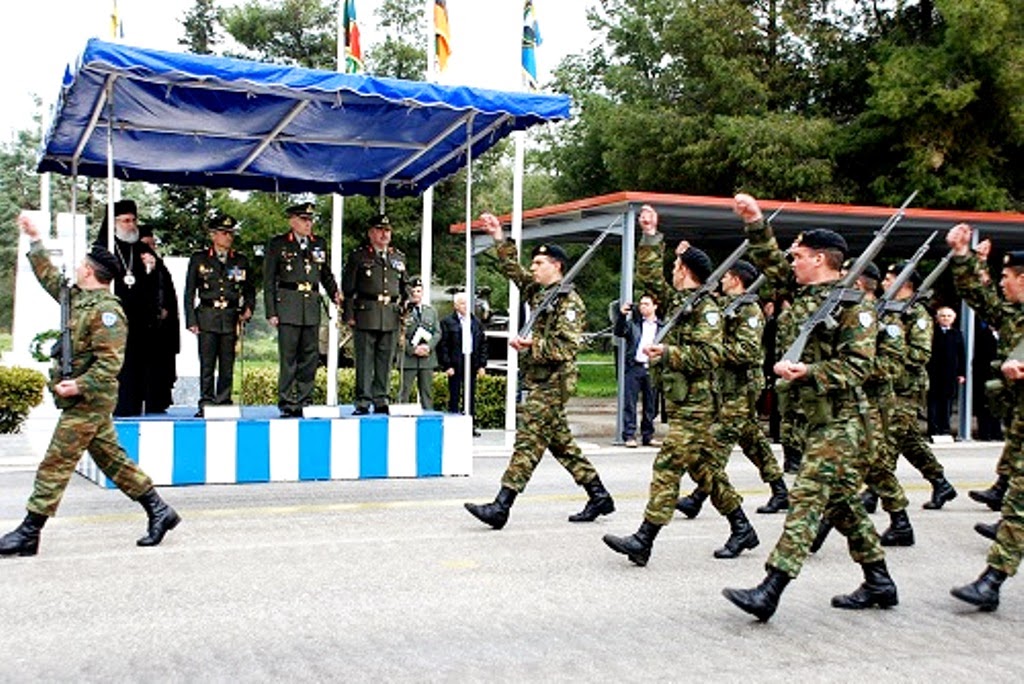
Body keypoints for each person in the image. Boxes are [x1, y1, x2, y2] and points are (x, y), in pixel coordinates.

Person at [723, 193, 895, 622]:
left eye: (798, 255)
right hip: (808, 419)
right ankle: (879, 580)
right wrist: (755, 222)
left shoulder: (856, 306)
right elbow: (768, 261)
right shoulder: (800, 295)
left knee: (806, 498)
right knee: (843, 506)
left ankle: (771, 588)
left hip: (842, 422)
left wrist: (810, 371)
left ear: (820, 259)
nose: (791, 261)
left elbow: (859, 366)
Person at [1, 214, 180, 557]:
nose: (77, 268)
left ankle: (29, 531)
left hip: (90, 399)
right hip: (80, 398)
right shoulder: (76, 298)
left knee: (56, 461)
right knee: (113, 460)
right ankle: (159, 510)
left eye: (82, 264)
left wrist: (78, 386)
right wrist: (36, 239)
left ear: (92, 272)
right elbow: (48, 277)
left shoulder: (108, 312)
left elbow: (110, 365)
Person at [604, 205, 760, 565]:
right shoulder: (681, 302)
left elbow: (710, 354)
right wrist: (650, 235)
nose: (671, 273)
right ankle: (741, 527)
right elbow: (649, 276)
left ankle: (644, 540)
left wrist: (669, 352)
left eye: (675, 267)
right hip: (684, 401)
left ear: (686, 271)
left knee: (668, 466)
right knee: (704, 467)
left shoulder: (705, 308)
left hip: (699, 403)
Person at [464, 212, 615, 527]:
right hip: (540, 378)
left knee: (528, 440)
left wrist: (532, 345)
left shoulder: (569, 302)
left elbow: (567, 348)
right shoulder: (539, 292)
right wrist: (499, 238)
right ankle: (599, 495)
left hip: (555, 381)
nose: (532, 268)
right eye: (532, 263)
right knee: (561, 443)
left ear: (556, 266)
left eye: (539, 264)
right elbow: (513, 270)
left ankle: (501, 506)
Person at [947, 224, 1024, 612]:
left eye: (1007, 278)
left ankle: (991, 581)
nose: (1002, 283)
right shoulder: (1014, 314)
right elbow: (975, 294)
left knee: (1020, 507)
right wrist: (962, 255)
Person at [675, 259, 789, 518]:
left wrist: (713, 352)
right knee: (753, 442)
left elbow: (747, 351)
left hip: (742, 389)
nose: (722, 281)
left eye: (726, 276)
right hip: (726, 387)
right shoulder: (726, 306)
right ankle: (780, 490)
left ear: (736, 279)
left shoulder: (750, 311)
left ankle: (698, 497)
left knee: (716, 445)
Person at [881, 264, 958, 509]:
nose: (884, 282)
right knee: (910, 442)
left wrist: (893, 347)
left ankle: (875, 492)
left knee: (889, 441)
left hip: (908, 388)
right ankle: (941, 483)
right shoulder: (890, 312)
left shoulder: (918, 315)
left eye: (889, 278)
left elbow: (921, 354)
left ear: (905, 284)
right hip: (891, 387)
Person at [264, 202, 342, 417]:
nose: (309, 224)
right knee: (289, 357)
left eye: (310, 220)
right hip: (288, 305)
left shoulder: (318, 243)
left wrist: (335, 292)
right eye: (304, 220)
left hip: (311, 306)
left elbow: (325, 273)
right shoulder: (279, 244)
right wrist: (271, 311)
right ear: (292, 221)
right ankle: (288, 401)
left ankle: (305, 399)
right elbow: (269, 280)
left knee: (310, 356)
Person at [94, 199, 163, 416]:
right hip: (111, 316)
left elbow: (155, 283)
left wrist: (151, 267)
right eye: (125, 221)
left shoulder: (142, 249)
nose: (131, 225)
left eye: (133, 220)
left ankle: (134, 406)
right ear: (114, 223)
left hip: (138, 318)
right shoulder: (103, 247)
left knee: (136, 364)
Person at [184, 214, 255, 417]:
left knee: (227, 361)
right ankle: (206, 401)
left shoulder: (240, 260)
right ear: (213, 235)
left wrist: (248, 307)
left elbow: (249, 289)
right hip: (207, 315)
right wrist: (191, 319)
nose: (228, 237)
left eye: (231, 233)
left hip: (231, 316)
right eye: (224, 233)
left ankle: (223, 400)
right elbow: (189, 291)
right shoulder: (200, 259)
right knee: (207, 363)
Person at [342, 213, 407, 415]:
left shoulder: (398, 257)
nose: (384, 234)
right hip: (366, 312)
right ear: (371, 233)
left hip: (390, 313)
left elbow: (404, 285)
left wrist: (406, 304)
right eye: (379, 230)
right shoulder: (359, 256)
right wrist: (349, 315)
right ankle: (362, 401)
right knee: (364, 359)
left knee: (386, 359)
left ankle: (381, 398)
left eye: (387, 230)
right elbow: (349, 288)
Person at [137, 224, 180, 413]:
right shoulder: (134, 266)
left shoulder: (161, 266)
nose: (151, 248)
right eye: (146, 244)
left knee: (163, 369)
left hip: (163, 329)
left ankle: (159, 400)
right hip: (144, 328)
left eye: (152, 244)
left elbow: (168, 294)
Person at [613, 293, 661, 448]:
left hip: (652, 367)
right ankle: (629, 435)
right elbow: (619, 331)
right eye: (641, 304)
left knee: (651, 404)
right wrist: (621, 315)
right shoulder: (634, 325)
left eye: (647, 304)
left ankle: (648, 434)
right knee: (630, 403)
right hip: (635, 366)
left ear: (655, 306)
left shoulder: (661, 327)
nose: (643, 307)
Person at [437, 291, 487, 433]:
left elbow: (483, 344)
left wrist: (482, 364)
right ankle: (453, 424)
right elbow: (443, 345)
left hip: (471, 360)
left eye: (467, 303)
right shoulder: (447, 322)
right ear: (455, 305)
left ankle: (470, 425)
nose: (465, 306)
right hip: (455, 362)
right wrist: (446, 365)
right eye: (462, 303)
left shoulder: (475, 322)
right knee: (454, 394)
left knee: (470, 394)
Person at [398, 276, 440, 410]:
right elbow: (398, 334)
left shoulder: (430, 311)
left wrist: (428, 346)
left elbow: (437, 332)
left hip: (427, 359)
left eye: (418, 291)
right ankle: (401, 419)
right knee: (404, 392)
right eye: (413, 291)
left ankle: (428, 420)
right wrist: (412, 349)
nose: (416, 294)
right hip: (408, 359)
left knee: (427, 393)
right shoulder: (402, 311)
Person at [926, 306, 966, 437]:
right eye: (943, 316)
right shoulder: (931, 333)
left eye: (949, 316)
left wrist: (961, 373)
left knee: (947, 402)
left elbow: (961, 355)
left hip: (950, 374)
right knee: (933, 402)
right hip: (933, 373)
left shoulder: (957, 334)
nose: (946, 318)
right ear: (937, 318)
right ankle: (933, 428)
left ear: (953, 319)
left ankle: (945, 428)